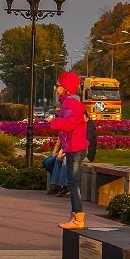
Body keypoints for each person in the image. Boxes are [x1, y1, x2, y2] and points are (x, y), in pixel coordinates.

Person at [46, 71, 88, 230]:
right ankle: (75, 216)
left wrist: (54, 122)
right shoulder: (71, 102)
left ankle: (77, 218)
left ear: (66, 88)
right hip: (74, 147)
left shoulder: (70, 103)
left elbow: (70, 123)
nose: (56, 88)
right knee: (72, 182)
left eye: (58, 85)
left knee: (72, 183)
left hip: (75, 148)